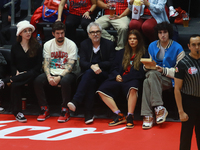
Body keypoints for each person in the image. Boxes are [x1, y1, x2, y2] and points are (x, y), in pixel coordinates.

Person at [97, 29, 148, 128]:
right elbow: (114, 67)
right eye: (130, 39)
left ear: (139, 40)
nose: (132, 41)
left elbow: (141, 72)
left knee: (133, 88)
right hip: (120, 78)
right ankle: (119, 115)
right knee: (101, 90)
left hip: (133, 79)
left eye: (134, 39)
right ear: (127, 41)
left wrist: (126, 77)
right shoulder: (121, 52)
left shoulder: (144, 53)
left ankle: (130, 116)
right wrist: (116, 75)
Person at [67, 22, 115, 124]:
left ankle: (76, 101)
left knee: (89, 74)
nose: (95, 34)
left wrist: (98, 66)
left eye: (97, 32)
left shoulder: (109, 44)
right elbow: (82, 61)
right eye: (92, 32)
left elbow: (111, 62)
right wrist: (92, 66)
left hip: (104, 74)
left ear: (101, 33)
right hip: (89, 75)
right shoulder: (84, 44)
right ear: (88, 34)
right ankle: (88, 113)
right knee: (91, 80)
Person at [141, 22, 185, 129]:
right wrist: (146, 67)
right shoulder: (152, 46)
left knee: (149, 78)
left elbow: (181, 72)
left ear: (169, 33)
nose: (162, 35)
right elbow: (148, 64)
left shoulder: (178, 48)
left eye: (165, 32)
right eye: (160, 33)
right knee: (149, 77)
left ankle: (149, 114)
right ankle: (158, 109)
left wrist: (164, 70)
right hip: (155, 77)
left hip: (172, 80)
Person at [34, 21, 79, 123]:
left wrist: (60, 77)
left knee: (65, 81)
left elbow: (71, 66)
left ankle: (65, 109)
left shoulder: (71, 44)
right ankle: (44, 108)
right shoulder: (48, 44)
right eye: (58, 33)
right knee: (38, 80)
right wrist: (49, 76)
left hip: (68, 73)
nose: (60, 36)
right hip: (52, 71)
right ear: (53, 33)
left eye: (62, 33)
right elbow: (46, 63)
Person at [0, 20, 43, 122]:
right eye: (25, 31)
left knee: (29, 74)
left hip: (33, 73)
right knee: (15, 84)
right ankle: (17, 112)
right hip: (19, 74)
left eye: (29, 31)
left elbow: (38, 65)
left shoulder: (36, 45)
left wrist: (25, 73)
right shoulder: (15, 47)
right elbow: (13, 64)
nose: (28, 33)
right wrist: (16, 72)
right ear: (20, 33)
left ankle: (4, 81)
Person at [174, 34, 200, 150]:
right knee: (186, 135)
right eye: (194, 45)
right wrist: (181, 111)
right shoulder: (182, 64)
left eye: (199, 44)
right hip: (189, 102)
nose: (197, 47)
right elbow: (177, 89)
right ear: (189, 46)